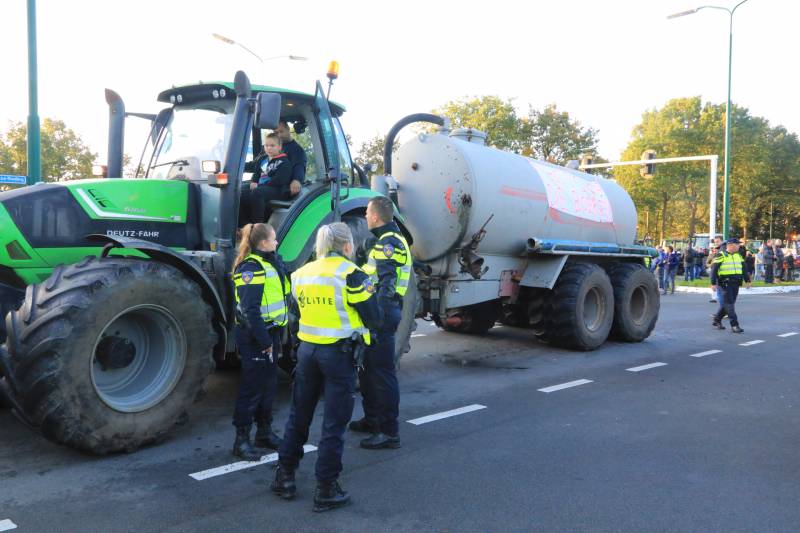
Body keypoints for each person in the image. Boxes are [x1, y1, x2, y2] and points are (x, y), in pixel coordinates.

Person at [272, 223, 382, 512]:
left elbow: (297, 312)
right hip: (339, 356)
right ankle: (326, 488)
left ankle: (284, 476)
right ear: (347, 246)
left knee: (299, 416)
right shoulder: (353, 276)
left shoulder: (300, 274)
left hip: (307, 353)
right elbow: (374, 317)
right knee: (333, 423)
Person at [349, 196, 412, 449]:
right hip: (376, 313)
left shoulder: (389, 243)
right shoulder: (385, 241)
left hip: (382, 314)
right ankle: (372, 418)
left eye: (366, 212)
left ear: (375, 216)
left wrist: (377, 317)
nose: (365, 216)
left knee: (383, 374)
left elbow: (387, 284)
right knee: (367, 369)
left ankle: (388, 431)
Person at [231, 223, 290, 460]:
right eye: (274, 239)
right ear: (263, 243)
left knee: (268, 385)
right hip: (255, 336)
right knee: (252, 387)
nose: (276, 243)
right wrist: (265, 340)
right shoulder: (251, 268)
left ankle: (264, 433)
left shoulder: (269, 263)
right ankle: (241, 440)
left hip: (269, 333)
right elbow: (250, 310)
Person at [711, 238, 752, 333]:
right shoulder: (721, 255)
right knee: (729, 304)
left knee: (728, 304)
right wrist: (713, 283)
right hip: (724, 283)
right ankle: (735, 325)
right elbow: (714, 270)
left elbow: (744, 269)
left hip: (736, 283)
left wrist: (747, 280)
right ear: (731, 245)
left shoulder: (739, 256)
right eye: (737, 244)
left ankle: (717, 320)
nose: (739, 246)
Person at [276, 119, 308, 185]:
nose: (279, 135)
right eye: (276, 133)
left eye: (281, 131)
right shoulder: (273, 148)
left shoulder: (297, 150)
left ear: (288, 129)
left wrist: (296, 181)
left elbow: (299, 169)